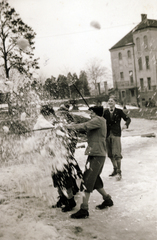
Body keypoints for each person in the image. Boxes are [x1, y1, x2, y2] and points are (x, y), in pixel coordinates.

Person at [67, 106, 113, 219]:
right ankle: (107, 200)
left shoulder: (98, 120)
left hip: (97, 154)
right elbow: (86, 129)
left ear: (96, 113)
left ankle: (84, 209)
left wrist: (67, 126)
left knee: (87, 180)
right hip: (94, 154)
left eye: (91, 113)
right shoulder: (98, 121)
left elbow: (85, 125)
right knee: (94, 178)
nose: (90, 115)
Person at [34, 104, 82, 212]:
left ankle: (70, 201)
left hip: (62, 157)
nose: (45, 117)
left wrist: (57, 130)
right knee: (57, 179)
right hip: (53, 157)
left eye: (45, 115)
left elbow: (66, 137)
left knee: (65, 180)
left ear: (49, 114)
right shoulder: (47, 123)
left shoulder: (58, 123)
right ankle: (62, 198)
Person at [103, 96, 131, 180]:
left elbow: (128, 119)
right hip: (107, 135)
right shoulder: (105, 112)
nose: (110, 102)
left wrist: (126, 125)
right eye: (109, 101)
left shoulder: (119, 111)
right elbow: (100, 119)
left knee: (117, 154)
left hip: (116, 134)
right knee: (110, 154)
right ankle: (115, 169)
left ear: (115, 102)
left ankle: (119, 172)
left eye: (112, 101)